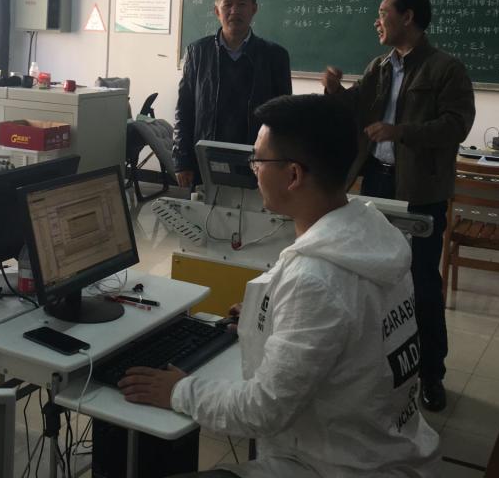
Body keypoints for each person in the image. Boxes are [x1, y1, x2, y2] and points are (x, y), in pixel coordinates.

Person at [120, 94, 440, 478]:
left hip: (336, 468)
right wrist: (268, 321)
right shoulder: (374, 237)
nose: (254, 170)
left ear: (293, 175)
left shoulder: (316, 280)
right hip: (386, 448)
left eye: (259, 160)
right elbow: (350, 332)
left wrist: (178, 391)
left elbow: (262, 410)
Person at [321, 0, 475, 413]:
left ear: (407, 17)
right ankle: (377, 365)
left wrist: (400, 132)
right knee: (372, 276)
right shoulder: (379, 66)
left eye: (383, 12)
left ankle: (431, 374)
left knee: (421, 281)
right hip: (377, 181)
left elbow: (457, 125)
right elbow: (355, 108)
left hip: (421, 190)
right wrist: (335, 91)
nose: (377, 21)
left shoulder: (446, 69)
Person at [173, 0, 291, 188]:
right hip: (206, 159)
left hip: (256, 161)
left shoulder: (275, 56)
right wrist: (182, 160)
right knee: (205, 208)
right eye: (227, 4)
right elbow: (184, 109)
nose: (234, 11)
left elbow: (283, 117)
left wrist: (279, 164)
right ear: (217, 11)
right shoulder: (197, 53)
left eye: (242, 4)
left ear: (254, 9)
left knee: (252, 210)